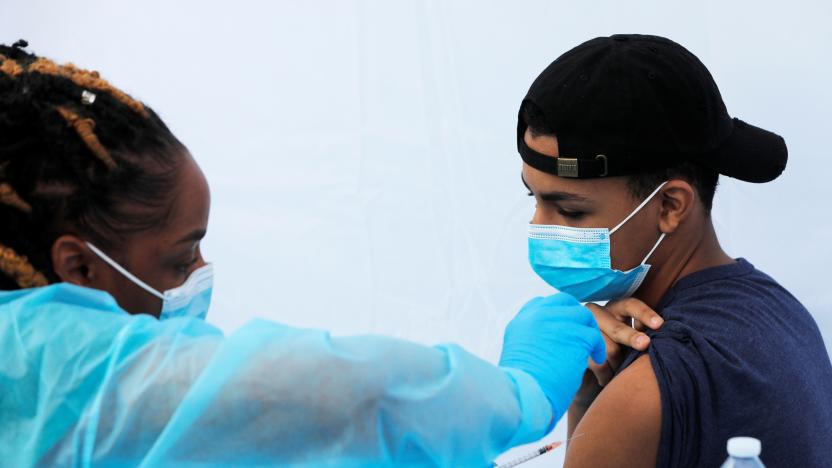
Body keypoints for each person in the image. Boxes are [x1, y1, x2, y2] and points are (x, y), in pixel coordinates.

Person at [0, 41, 663, 466]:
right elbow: (339, 392)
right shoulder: (62, 365)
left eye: (569, 207)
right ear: (78, 268)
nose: (199, 277)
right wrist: (515, 394)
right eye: (180, 259)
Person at [516, 34, 832, 467]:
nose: (539, 227)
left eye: (569, 211)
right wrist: (585, 398)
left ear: (670, 206)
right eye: (533, 198)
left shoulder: (645, 395)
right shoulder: (782, 312)